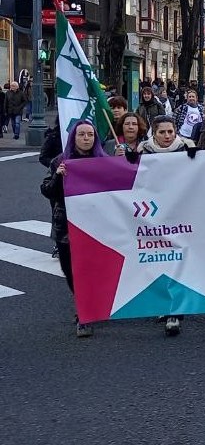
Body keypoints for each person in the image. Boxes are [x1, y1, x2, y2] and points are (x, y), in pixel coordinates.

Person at [41, 120, 109, 337]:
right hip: (67, 226)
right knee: (71, 270)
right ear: (74, 137)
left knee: (93, 270)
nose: (86, 138)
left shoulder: (104, 162)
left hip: (96, 225)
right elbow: (47, 191)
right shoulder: (60, 161)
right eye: (82, 135)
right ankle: (83, 304)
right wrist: (58, 176)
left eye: (90, 135)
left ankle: (85, 314)